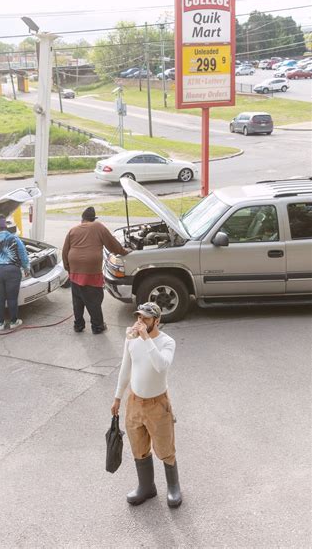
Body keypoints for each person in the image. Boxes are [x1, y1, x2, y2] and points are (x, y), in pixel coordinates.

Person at [111, 302, 182, 508]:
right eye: (139, 317)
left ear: (157, 321)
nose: (140, 322)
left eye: (146, 319)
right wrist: (117, 398)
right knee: (138, 447)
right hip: (134, 402)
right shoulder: (131, 339)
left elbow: (161, 366)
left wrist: (146, 338)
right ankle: (147, 487)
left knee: (165, 447)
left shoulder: (167, 342)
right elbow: (126, 369)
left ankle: (173, 486)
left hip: (157, 404)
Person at [62, 206, 128, 334]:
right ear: (93, 219)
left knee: (77, 300)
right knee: (94, 300)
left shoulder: (73, 230)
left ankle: (78, 325)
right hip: (91, 271)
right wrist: (124, 252)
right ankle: (97, 326)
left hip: (75, 271)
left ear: (82, 219)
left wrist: (69, 269)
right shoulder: (98, 226)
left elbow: (65, 251)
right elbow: (112, 244)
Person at [0, 214, 30, 330]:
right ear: (6, 227)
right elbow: (23, 255)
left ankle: (0, 323)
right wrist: (26, 268)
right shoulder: (15, 239)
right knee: (12, 298)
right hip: (12, 271)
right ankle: (14, 322)